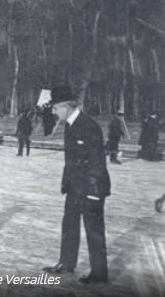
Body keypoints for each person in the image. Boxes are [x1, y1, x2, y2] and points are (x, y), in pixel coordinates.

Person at [43, 85, 111, 284]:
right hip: (75, 186)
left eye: (55, 108)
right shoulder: (70, 125)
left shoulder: (88, 126)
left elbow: (97, 160)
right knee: (69, 225)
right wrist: (66, 183)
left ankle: (99, 273)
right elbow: (71, 160)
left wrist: (94, 190)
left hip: (92, 187)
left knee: (94, 230)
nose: (54, 113)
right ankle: (66, 263)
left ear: (65, 106)